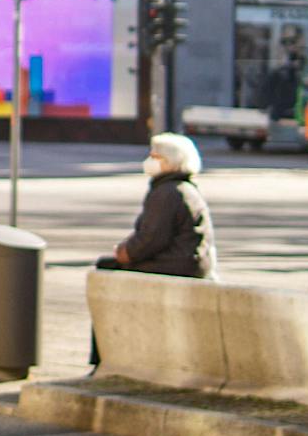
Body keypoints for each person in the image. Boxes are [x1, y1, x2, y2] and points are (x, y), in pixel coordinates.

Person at [91, 132, 218, 367]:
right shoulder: (180, 188)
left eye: (155, 156)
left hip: (176, 265)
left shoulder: (168, 192)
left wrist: (124, 252)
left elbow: (150, 239)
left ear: (169, 162)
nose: (149, 161)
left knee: (106, 271)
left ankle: (103, 358)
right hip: (185, 262)